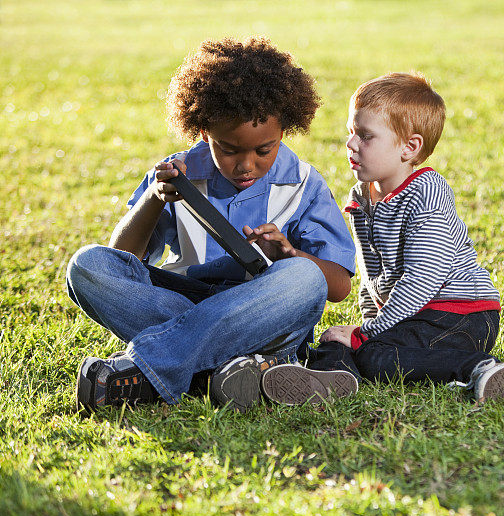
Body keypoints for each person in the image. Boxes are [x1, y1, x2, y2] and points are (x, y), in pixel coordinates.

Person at [68, 37, 358, 413]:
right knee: (88, 266)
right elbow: (122, 258)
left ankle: (151, 367)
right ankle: (231, 369)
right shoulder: (178, 173)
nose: (245, 165)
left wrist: (289, 254)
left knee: (303, 276)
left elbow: (337, 286)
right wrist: (155, 198)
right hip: (187, 299)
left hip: (265, 313)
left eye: (263, 150)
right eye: (229, 149)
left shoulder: (304, 184)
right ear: (204, 131)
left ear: (285, 131)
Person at [260, 72, 504, 405]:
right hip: (414, 315)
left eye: (366, 136)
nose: (351, 144)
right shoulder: (362, 197)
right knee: (339, 341)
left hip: (459, 314)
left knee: (374, 354)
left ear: (410, 148)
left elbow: (423, 279)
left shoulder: (427, 193)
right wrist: (365, 326)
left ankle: (478, 368)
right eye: (351, 132)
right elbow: (371, 278)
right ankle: (331, 378)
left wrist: (367, 333)